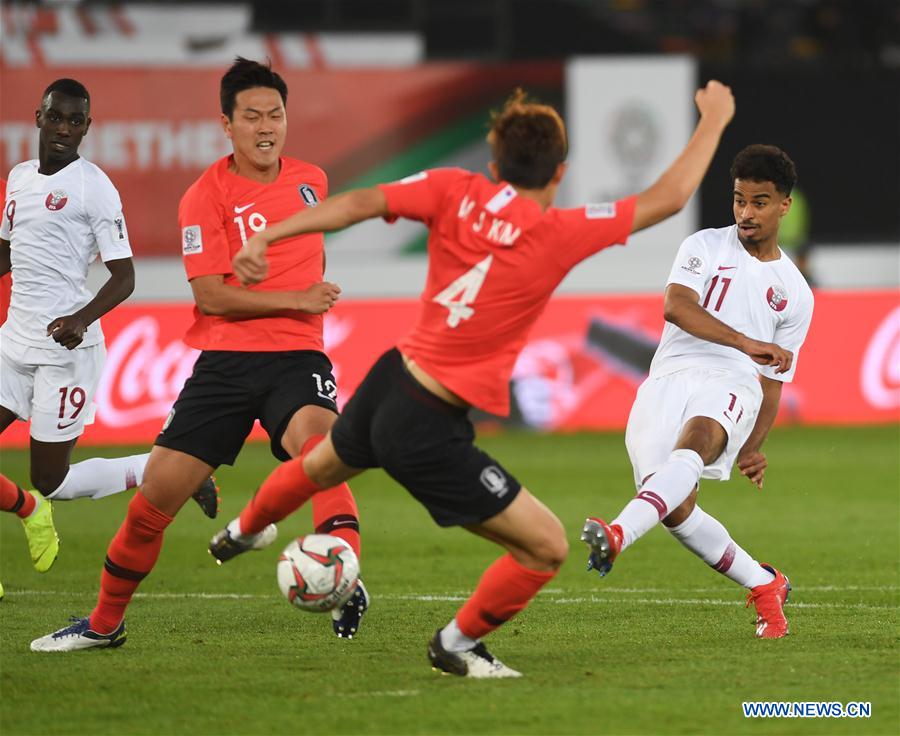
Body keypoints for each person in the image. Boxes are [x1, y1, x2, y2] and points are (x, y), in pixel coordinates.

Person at [117, 80, 735, 677]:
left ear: (493, 161)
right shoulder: (561, 231)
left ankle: (242, 530)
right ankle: (456, 645)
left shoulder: (453, 189)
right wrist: (712, 119)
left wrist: (273, 234)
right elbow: (669, 198)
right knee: (545, 547)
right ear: (558, 174)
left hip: (393, 377)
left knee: (318, 466)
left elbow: (359, 203)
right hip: (429, 423)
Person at [30, 58, 367, 652]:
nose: (267, 127)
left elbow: (310, 259)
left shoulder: (312, 179)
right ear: (227, 124)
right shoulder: (203, 197)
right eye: (253, 116)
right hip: (225, 365)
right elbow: (211, 296)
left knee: (324, 454)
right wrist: (299, 296)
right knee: (153, 502)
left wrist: (300, 300)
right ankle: (105, 624)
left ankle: (344, 575)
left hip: (296, 358)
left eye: (277, 114)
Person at [580, 144, 814, 640]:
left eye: (759, 202)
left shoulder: (795, 291)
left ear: (784, 205)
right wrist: (747, 340)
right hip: (668, 377)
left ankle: (618, 534)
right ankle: (764, 583)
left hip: (732, 381)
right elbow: (676, 307)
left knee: (696, 443)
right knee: (672, 505)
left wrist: (754, 445)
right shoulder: (703, 246)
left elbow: (772, 380)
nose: (746, 213)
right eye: (738, 200)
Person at [0, 81, 217, 586]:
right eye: (56, 117)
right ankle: (29, 511)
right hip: (13, 343)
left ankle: (167, 470)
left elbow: (124, 277)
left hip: (65, 350)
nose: (64, 129)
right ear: (38, 117)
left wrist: (81, 319)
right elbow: (8, 255)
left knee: (50, 481)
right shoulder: (18, 178)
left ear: (87, 128)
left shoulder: (92, 186)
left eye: (76, 122)